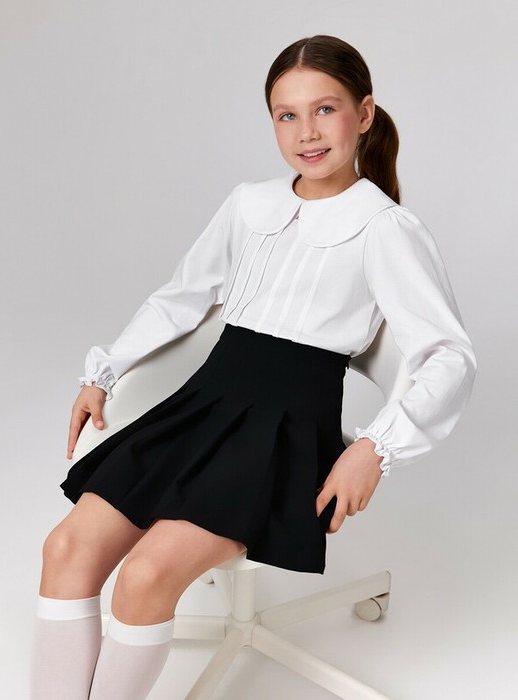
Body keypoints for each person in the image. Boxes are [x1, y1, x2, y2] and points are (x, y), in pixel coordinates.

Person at [30, 34, 477, 699]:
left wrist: (376, 449)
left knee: (146, 575)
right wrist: (104, 371)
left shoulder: (386, 229)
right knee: (65, 549)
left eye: (324, 110)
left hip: (284, 434)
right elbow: (183, 296)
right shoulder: (249, 204)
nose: (306, 132)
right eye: (286, 115)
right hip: (201, 407)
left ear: (363, 114)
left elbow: (449, 356)